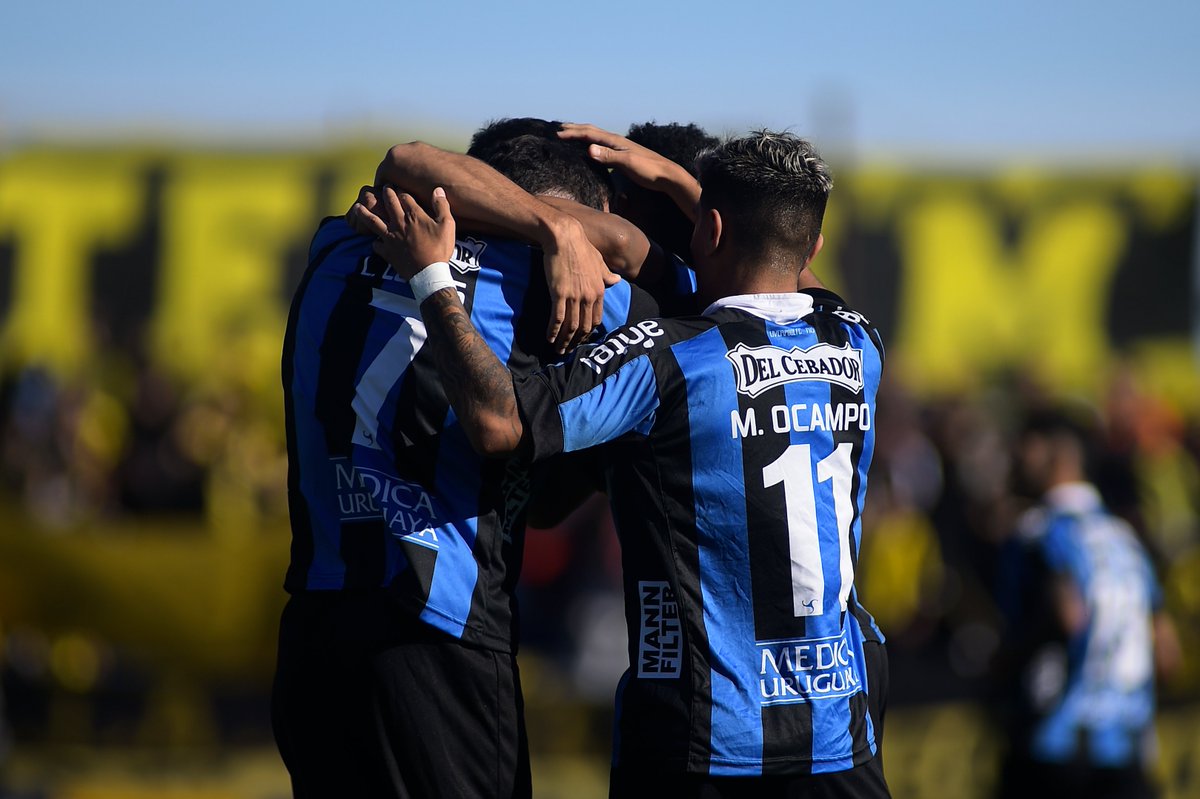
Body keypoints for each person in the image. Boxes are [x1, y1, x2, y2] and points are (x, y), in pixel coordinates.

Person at [359, 130, 891, 797]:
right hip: (840, 741)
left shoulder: (668, 360)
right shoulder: (859, 344)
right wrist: (682, 185)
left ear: (710, 231)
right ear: (813, 246)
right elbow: (792, 270)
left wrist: (434, 279)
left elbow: (504, 423)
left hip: (697, 744)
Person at [273, 120, 659, 798]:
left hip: (312, 635)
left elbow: (409, 163)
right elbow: (679, 284)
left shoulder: (335, 241)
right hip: (439, 639)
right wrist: (579, 235)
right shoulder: (550, 288)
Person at [993, 407, 1182, 799]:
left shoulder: (1039, 532)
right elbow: (1167, 653)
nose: (1016, 460)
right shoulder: (1125, 538)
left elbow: (1070, 616)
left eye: (1026, 448)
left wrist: (1003, 664)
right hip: (1128, 749)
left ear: (1056, 455)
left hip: (1056, 744)